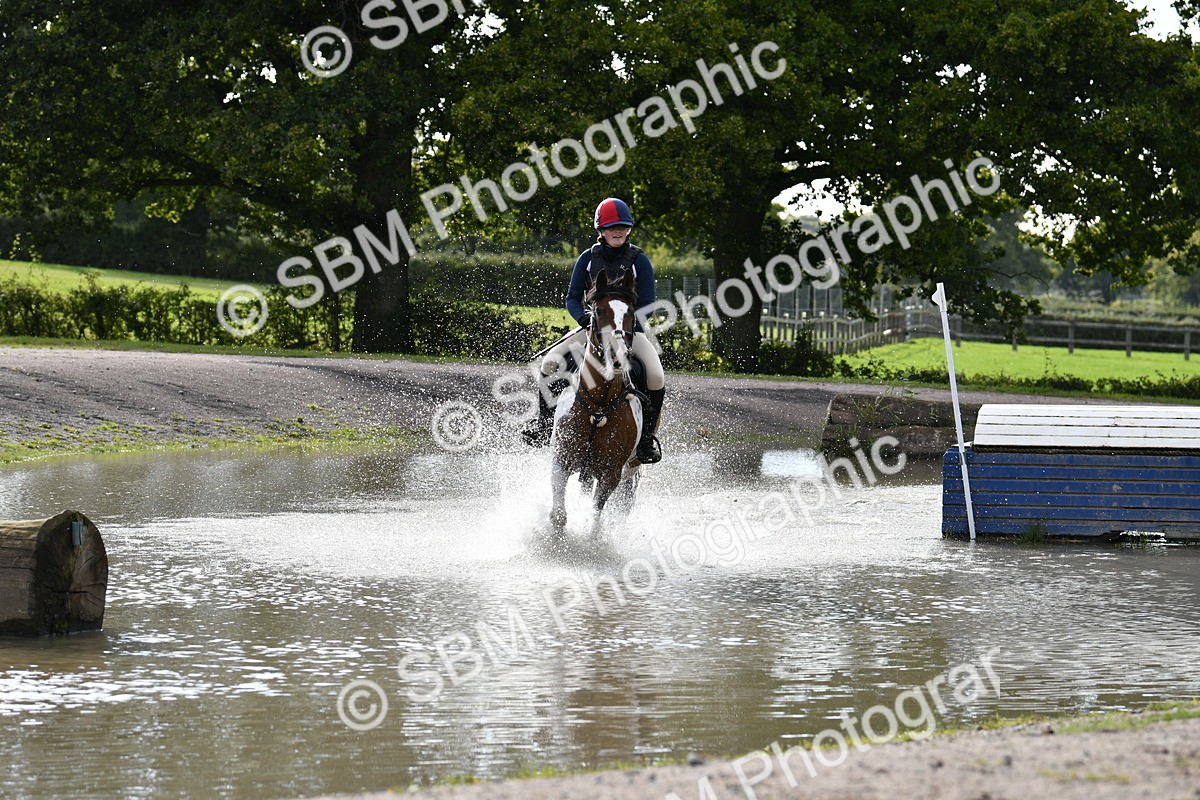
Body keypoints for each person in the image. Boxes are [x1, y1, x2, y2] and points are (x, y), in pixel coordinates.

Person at [522, 197, 666, 464]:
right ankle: (542, 426)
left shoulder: (639, 260)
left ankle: (646, 440)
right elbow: (572, 298)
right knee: (550, 364)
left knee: (656, 376)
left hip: (630, 331)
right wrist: (585, 320)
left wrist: (622, 325)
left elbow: (647, 303)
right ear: (601, 230)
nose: (618, 231)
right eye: (612, 227)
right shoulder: (588, 259)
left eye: (623, 226)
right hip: (591, 329)